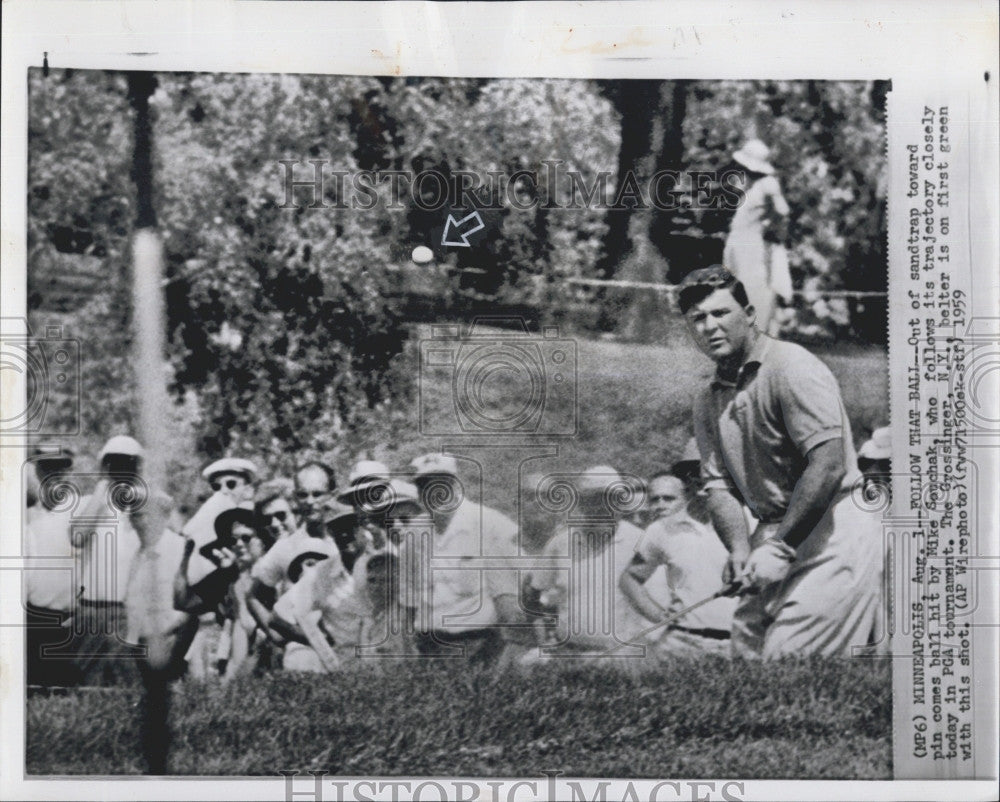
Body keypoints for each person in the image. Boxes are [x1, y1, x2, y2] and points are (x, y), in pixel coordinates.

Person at [678, 265, 882, 659]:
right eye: (698, 319)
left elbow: (828, 465)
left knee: (788, 660)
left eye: (720, 313)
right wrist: (739, 550)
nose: (709, 327)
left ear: (750, 315)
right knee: (746, 649)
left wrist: (781, 547)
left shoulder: (792, 367)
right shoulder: (708, 398)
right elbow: (718, 484)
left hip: (832, 527)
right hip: (774, 530)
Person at [398, 453, 522, 663]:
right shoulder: (414, 533)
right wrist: (407, 646)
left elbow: (515, 590)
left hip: (479, 643)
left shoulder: (491, 524)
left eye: (442, 484)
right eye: (425, 486)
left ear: (456, 484)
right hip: (428, 646)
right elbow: (408, 596)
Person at [527, 466, 649, 662]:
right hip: (568, 654)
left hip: (624, 658)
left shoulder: (641, 542)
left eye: (608, 498)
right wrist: (543, 641)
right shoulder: (561, 543)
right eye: (592, 499)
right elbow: (532, 595)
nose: (601, 506)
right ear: (581, 503)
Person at [620, 474, 737, 657]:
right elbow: (629, 579)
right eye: (654, 500)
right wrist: (659, 615)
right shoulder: (660, 530)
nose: (660, 505)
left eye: (668, 498)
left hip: (736, 643)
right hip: (683, 642)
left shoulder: (745, 524)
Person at [70, 435, 148, 683]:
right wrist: (102, 491)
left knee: (126, 681)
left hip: (127, 610)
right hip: (90, 607)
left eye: (128, 464)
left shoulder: (145, 506)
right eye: (114, 464)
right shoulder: (89, 504)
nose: (121, 471)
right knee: (87, 679)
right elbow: (77, 537)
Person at [246, 485, 342, 670]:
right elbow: (253, 596)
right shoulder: (278, 551)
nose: (274, 524)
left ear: (295, 513)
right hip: (300, 642)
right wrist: (275, 634)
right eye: (267, 520)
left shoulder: (330, 538)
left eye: (281, 516)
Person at [723, 139, 793, 336]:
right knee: (733, 294)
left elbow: (783, 210)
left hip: (751, 245)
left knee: (754, 293)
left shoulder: (767, 183)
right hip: (736, 243)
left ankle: (755, 346)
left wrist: (769, 224)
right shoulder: (746, 182)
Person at [24, 445, 78, 685]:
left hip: (71, 618)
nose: (54, 474)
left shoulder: (81, 511)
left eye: (60, 468)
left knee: (65, 689)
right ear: (37, 471)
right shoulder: (24, 514)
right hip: (32, 617)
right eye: (47, 467)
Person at [294, 460, 337, 536]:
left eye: (317, 494)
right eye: (303, 495)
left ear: (333, 496)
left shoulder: (352, 539)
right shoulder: (288, 546)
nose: (309, 502)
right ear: (295, 497)